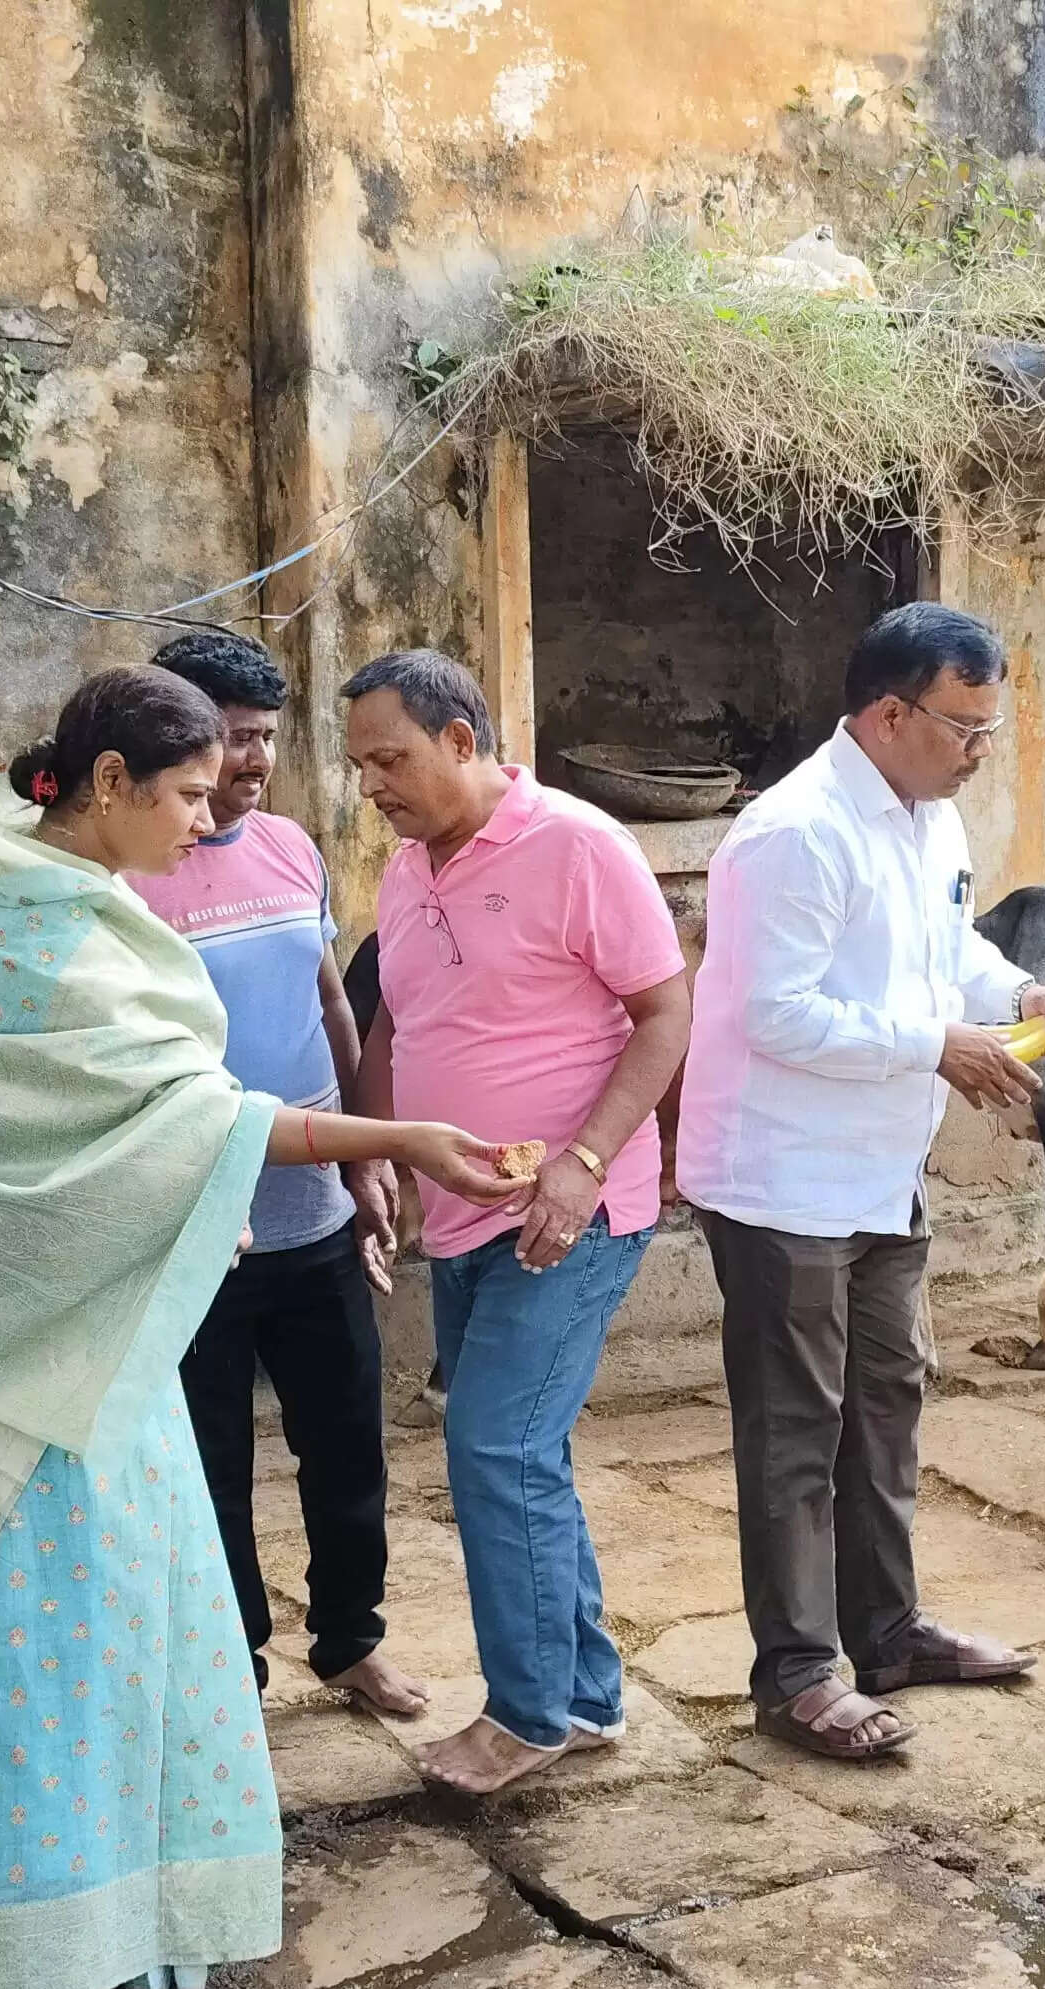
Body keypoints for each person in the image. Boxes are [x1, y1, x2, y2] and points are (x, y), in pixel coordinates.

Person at [0, 665, 517, 1989]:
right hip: (22, 1340)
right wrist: (399, 1137)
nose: (205, 824)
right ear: (109, 784)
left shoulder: (17, 906)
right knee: (35, 1641)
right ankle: (32, 1962)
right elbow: (194, 1125)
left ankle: (129, 1924)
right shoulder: (36, 938)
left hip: (84, 1326)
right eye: (188, 796)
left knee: (123, 1626)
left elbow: (160, 1119)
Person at [679, 603, 1045, 1759]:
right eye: (965, 727)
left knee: (886, 1409)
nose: (980, 750)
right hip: (784, 1179)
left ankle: (888, 1632)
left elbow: (949, 953)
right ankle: (798, 1675)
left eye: (990, 728)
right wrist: (936, 1047)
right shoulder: (792, 834)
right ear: (889, 714)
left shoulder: (929, 819)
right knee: (795, 1430)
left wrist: (1016, 996)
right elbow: (776, 1013)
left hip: (882, 1169)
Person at [347, 649, 692, 1796]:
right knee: (521, 1452)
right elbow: (399, 1024)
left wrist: (583, 1166)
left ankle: (526, 1714)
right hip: (460, 1214)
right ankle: (583, 1697)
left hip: (570, 1212)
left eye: (389, 759)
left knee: (495, 1447)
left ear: (461, 740)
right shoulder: (407, 869)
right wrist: (382, 1151)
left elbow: (664, 1012)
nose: (371, 786)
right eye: (359, 766)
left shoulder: (580, 846)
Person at [125, 631, 423, 1718]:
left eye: (264, 737)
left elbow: (330, 1002)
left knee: (347, 1445)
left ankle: (350, 1640)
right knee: (211, 1466)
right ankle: (234, 1669)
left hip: (312, 1215)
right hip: (195, 1228)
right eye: (229, 739)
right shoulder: (130, 875)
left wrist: (366, 1152)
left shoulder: (294, 848)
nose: (252, 761)